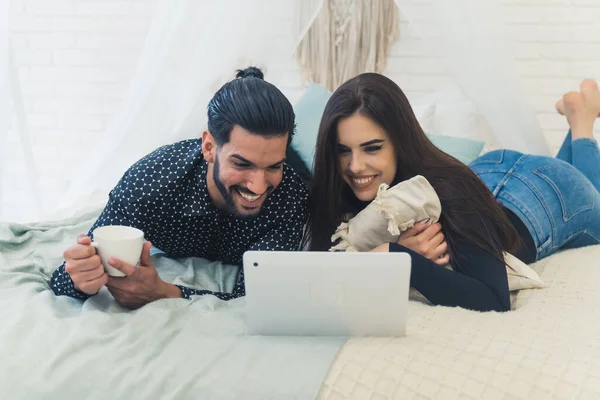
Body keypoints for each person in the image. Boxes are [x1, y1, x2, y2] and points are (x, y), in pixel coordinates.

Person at [309, 73, 600, 312]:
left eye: (372, 148)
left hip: (544, 193)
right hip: (489, 171)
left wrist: (399, 257)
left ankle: (582, 123)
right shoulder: (337, 191)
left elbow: (493, 299)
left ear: (400, 143)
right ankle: (578, 116)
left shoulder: (450, 190)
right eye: (342, 150)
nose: (355, 166)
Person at [50, 67, 309, 309]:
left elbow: (253, 301)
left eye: (274, 167)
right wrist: (81, 279)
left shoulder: (289, 196)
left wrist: (164, 292)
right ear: (209, 147)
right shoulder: (149, 184)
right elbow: (63, 280)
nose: (259, 185)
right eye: (242, 164)